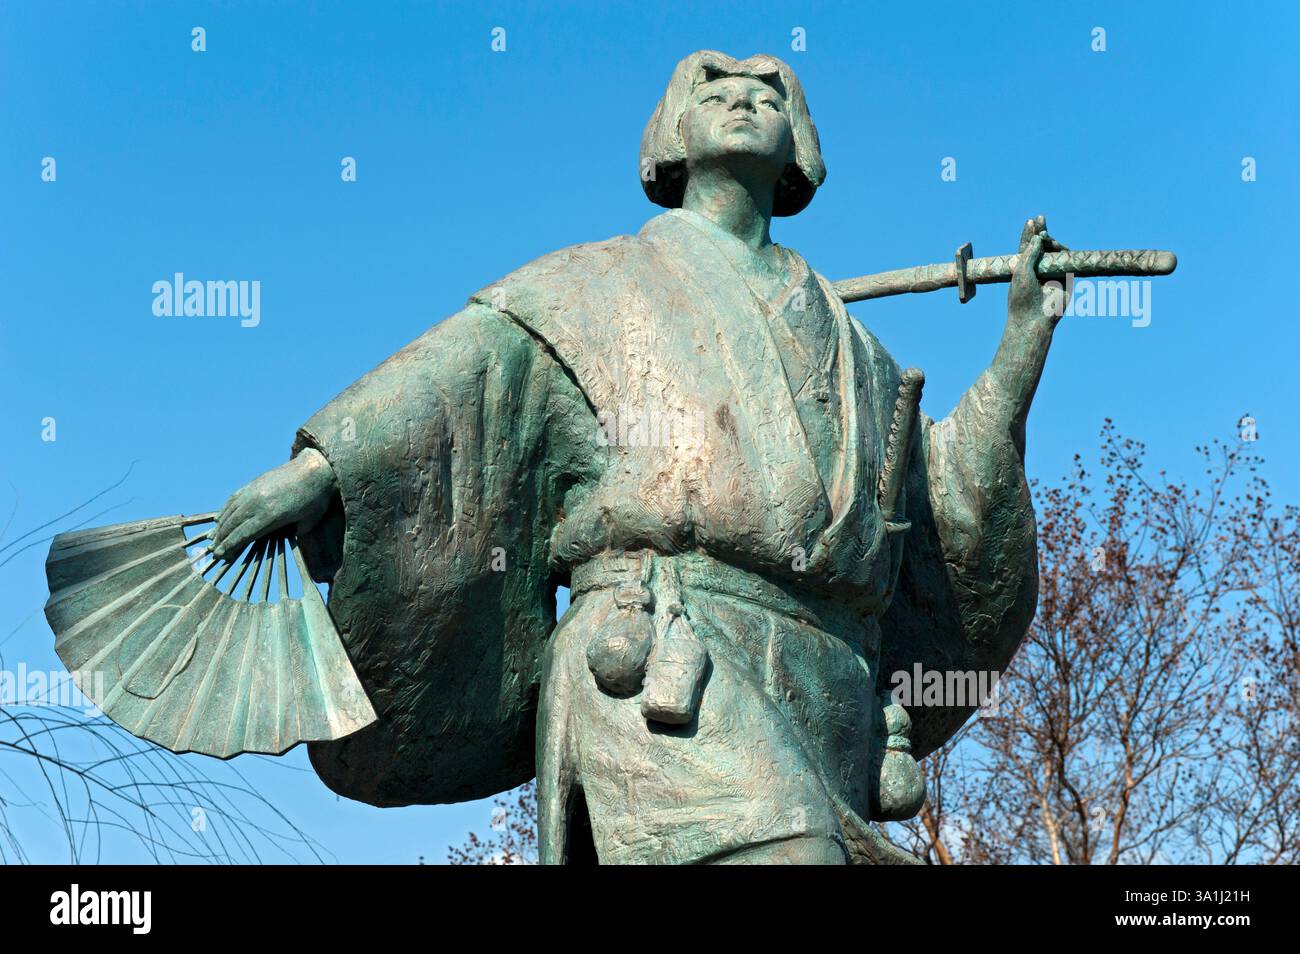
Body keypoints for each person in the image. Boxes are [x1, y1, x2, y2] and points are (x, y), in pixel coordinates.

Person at [208, 50, 1064, 864]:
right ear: (671, 136)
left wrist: (1020, 348)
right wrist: (325, 470)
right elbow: (465, 380)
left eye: (771, 95)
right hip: (663, 657)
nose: (743, 99)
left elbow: (944, 517)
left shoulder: (859, 356)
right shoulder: (594, 288)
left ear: (800, 144)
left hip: (826, 694)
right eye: (713, 90)